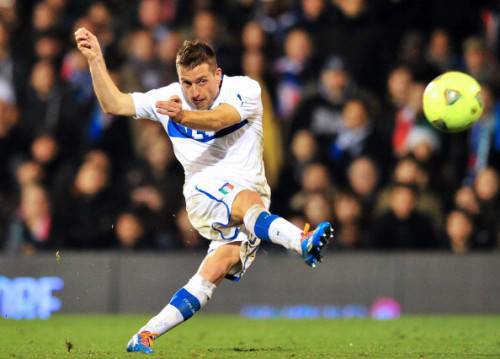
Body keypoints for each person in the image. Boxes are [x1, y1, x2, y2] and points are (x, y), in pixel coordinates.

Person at [74, 28, 333, 354]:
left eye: (201, 81)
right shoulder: (169, 98)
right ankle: (301, 241)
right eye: (186, 82)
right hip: (203, 193)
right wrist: (96, 60)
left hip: (250, 200)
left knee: (215, 269)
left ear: (217, 74)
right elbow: (115, 104)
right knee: (246, 202)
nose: (193, 91)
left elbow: (218, 120)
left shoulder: (245, 89)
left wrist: (184, 116)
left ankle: (146, 333)